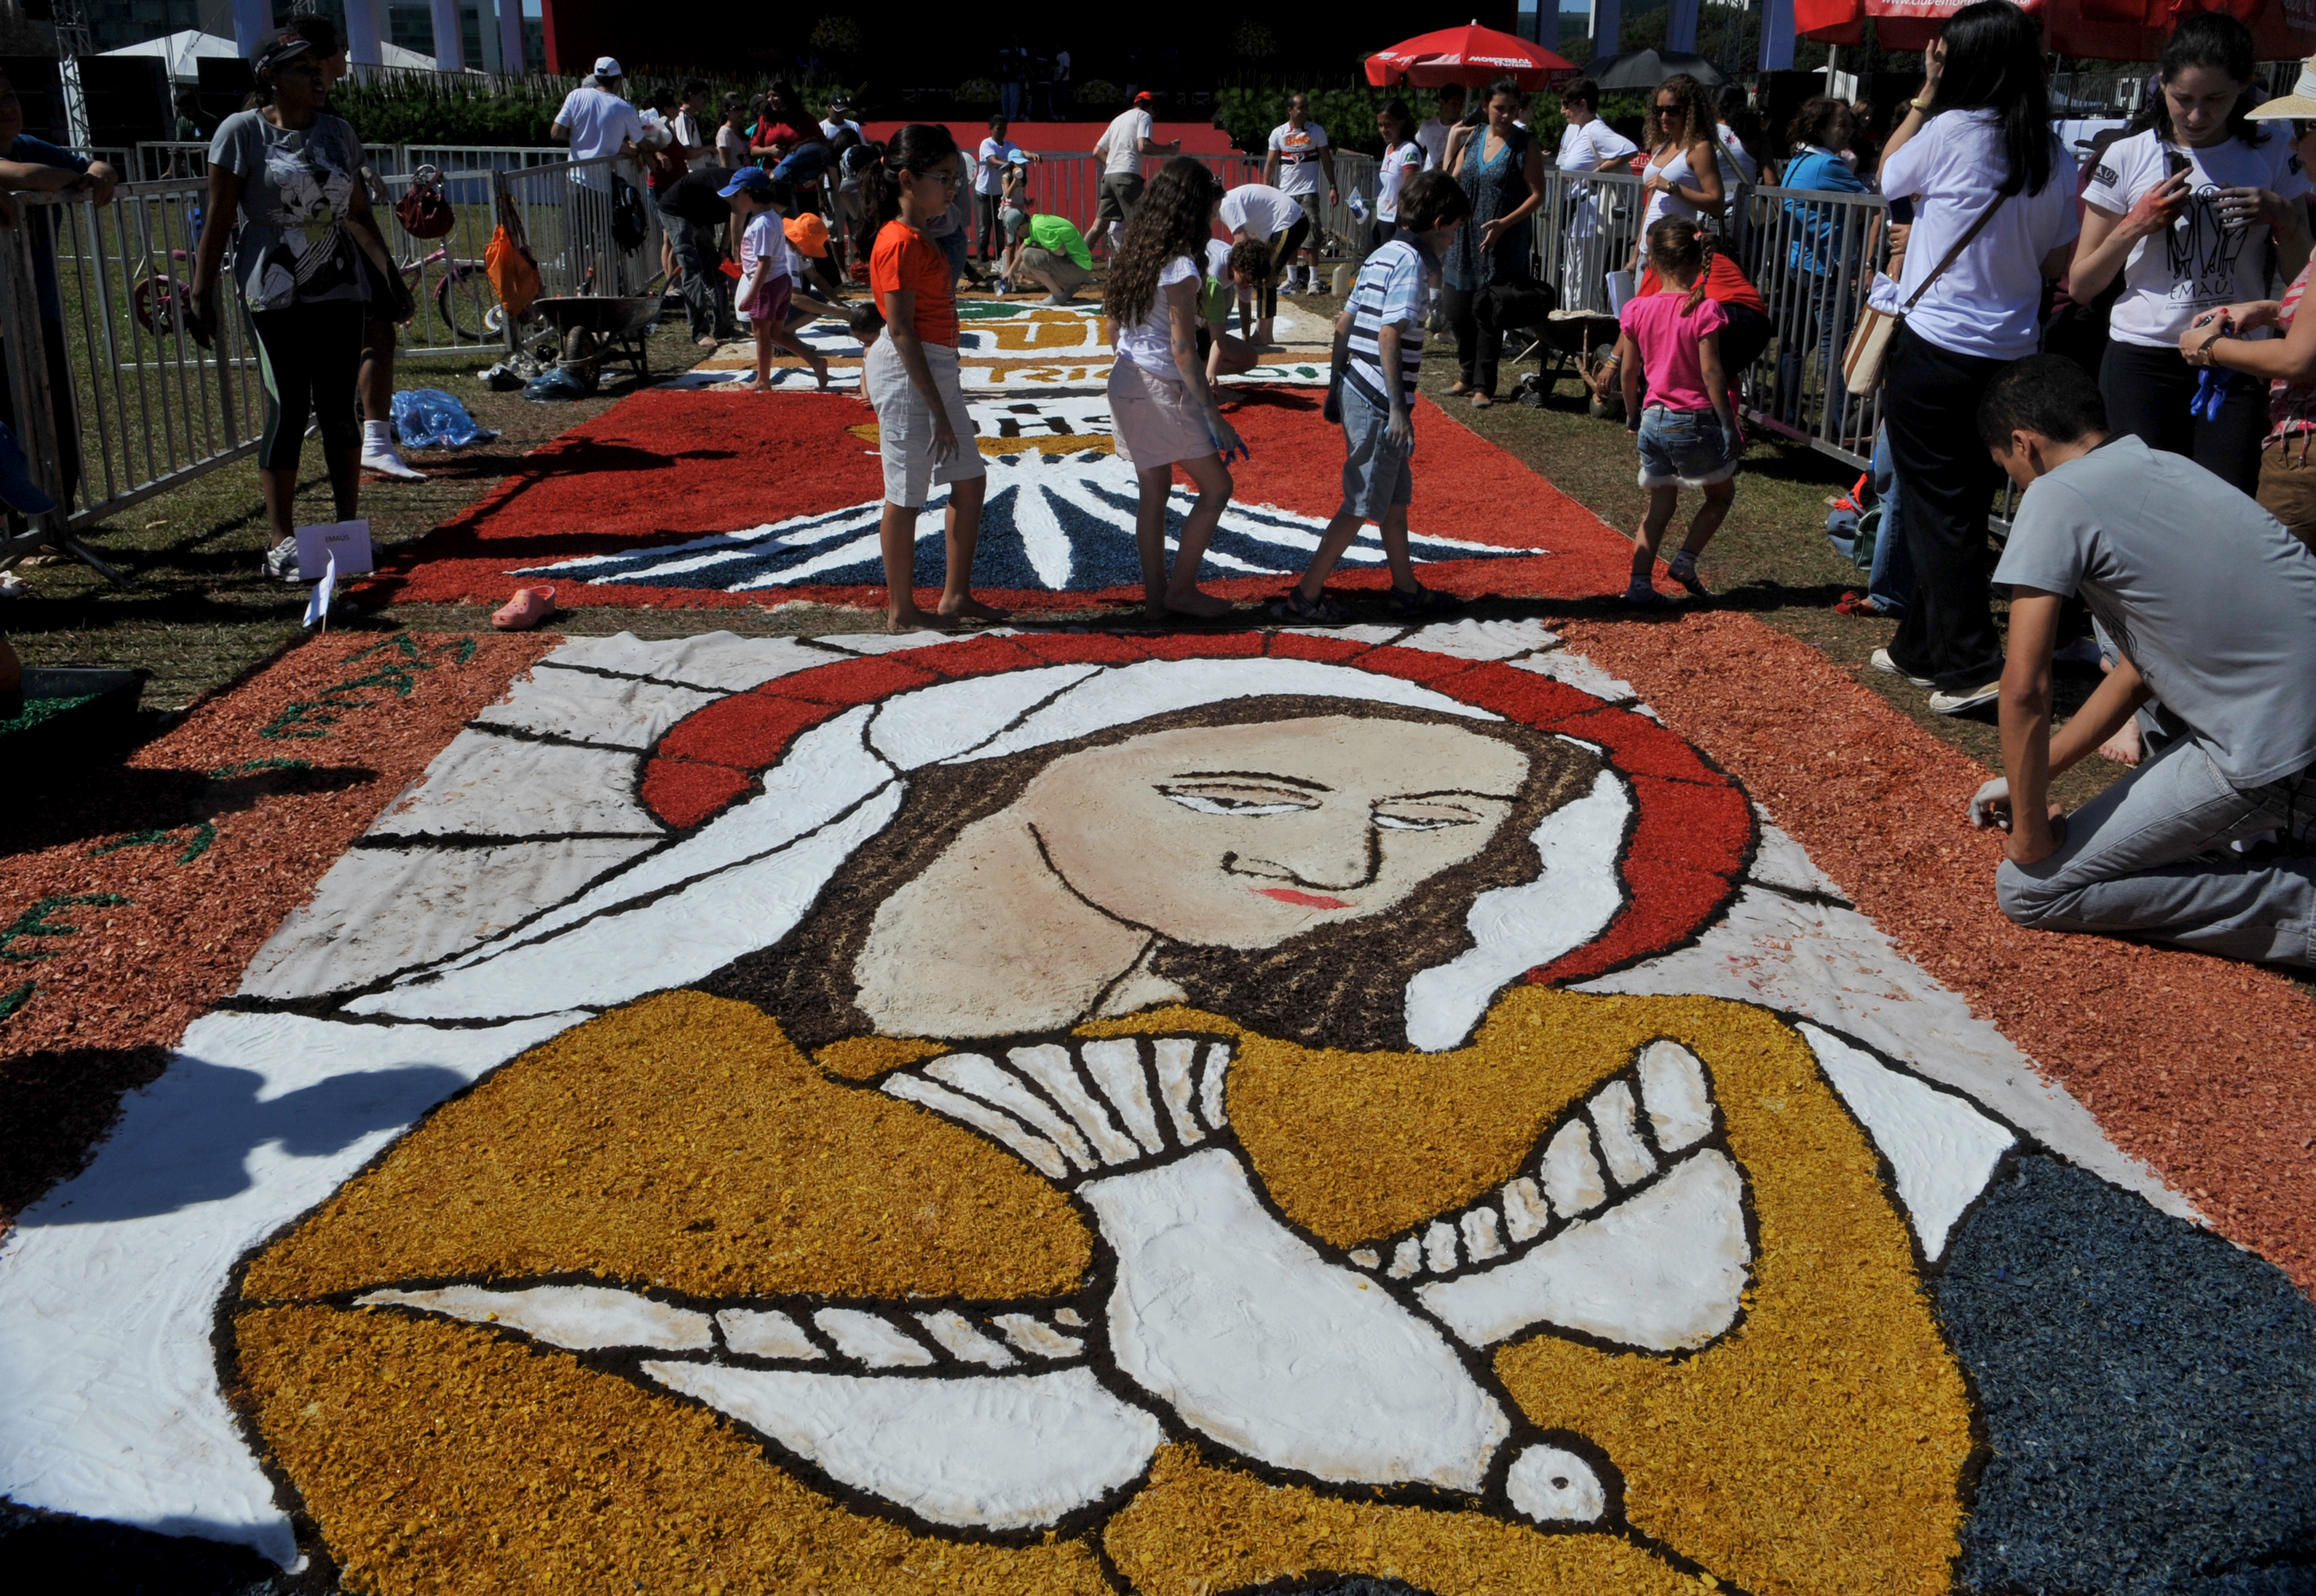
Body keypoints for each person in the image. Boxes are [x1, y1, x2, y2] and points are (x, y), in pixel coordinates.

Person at [1969, 354, 2316, 968]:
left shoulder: (2055, 493)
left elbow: (2024, 685)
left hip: (2276, 748)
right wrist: (2038, 770)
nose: (2020, 485)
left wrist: (2029, 833)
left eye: (2009, 470)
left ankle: (2302, 904)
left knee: (2031, 888)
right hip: (2281, 725)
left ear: (2025, 444)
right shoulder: (2167, 467)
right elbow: (2137, 671)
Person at [1868, 0, 2079, 717]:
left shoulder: (1952, 129)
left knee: (1938, 511)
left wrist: (1924, 98)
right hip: (2012, 351)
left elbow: (1887, 175)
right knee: (1963, 500)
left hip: (1936, 345)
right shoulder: (2054, 151)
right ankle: (1918, 646)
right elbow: (2056, 256)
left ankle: (1969, 663)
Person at [2068, 12, 2312, 496]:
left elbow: (2301, 282)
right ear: (2162, 85)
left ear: (2245, 87)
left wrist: (2285, 218)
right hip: (2143, 354)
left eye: (2215, 100)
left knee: (2224, 502)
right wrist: (2136, 224)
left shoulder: (2274, 150)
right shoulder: (2127, 154)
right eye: (2183, 99)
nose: (2197, 116)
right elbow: (2082, 284)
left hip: (2236, 357)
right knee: (2143, 500)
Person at [189, 31, 383, 580]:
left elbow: (360, 213)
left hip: (339, 284)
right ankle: (281, 540)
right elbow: (221, 214)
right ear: (270, 76)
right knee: (290, 404)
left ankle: (348, 531)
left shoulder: (339, 133)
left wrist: (388, 277)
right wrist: (201, 292)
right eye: (301, 69)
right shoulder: (240, 132)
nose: (317, 77)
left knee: (341, 406)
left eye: (317, 67)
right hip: (272, 286)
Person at [1274, 171, 1473, 624]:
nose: (1454, 239)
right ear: (1439, 221)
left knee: (1393, 500)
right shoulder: (1413, 265)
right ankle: (1305, 596)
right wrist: (1399, 408)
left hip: (1356, 385)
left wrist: (1333, 387)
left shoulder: (1382, 253)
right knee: (1362, 500)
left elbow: (1344, 326)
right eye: (1455, 229)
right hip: (1380, 398)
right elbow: (1389, 334)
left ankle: (1405, 590)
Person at [865, 123, 1000, 632]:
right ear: (906, 178)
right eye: (944, 178)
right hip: (910, 375)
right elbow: (900, 332)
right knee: (906, 493)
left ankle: (954, 596)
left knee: (969, 480)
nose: (953, 189)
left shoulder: (919, 234)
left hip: (931, 369)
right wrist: (939, 410)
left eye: (956, 180)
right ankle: (901, 609)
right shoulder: (899, 240)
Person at [1102, 157, 1248, 621]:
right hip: (1160, 387)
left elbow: (1112, 329)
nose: (1212, 219)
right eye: (1209, 209)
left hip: (1126, 378)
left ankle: (1155, 600)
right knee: (1216, 486)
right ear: (1190, 209)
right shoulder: (1182, 264)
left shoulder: (1135, 249)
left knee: (1154, 491)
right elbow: (1184, 350)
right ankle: (1181, 590)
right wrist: (1215, 417)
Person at [2188, 85, 2316, 549]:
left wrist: (2209, 347)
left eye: (2300, 128)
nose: (2291, 143)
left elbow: (2299, 362)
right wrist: (2274, 311)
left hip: (2305, 455)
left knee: (2288, 600)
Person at [0, 69, 117, 512]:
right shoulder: (25, 158)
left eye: (10, 96)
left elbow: (96, 164)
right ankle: (17, 531)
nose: (6, 109)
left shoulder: (30, 143)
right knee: (8, 429)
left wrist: (98, 173)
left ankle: (55, 520)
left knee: (59, 420)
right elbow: (30, 175)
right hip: (2, 323)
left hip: (40, 311)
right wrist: (73, 179)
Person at [1613, 218, 1741, 607]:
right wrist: (1728, 424)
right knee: (1720, 494)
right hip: (1695, 418)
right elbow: (1711, 372)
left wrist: (1633, 415)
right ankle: (1684, 561)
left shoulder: (1637, 308)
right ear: (1696, 262)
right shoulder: (1705, 309)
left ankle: (1638, 584)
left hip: (1653, 416)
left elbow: (1629, 371)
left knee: (1660, 503)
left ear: (1652, 262)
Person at [1443, 76, 1545, 407]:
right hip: (1465, 237)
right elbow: (1451, 180)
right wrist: (1450, 141)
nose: (1505, 115)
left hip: (1503, 238)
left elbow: (1537, 195)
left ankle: (1483, 386)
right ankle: (1466, 373)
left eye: (1512, 109)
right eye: (1499, 108)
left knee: (1487, 312)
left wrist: (1503, 224)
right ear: (1486, 106)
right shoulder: (1473, 139)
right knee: (1457, 310)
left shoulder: (1524, 143)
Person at [1775, 96, 1872, 432]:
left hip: (1801, 264)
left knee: (1796, 344)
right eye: (1842, 124)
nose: (1850, 131)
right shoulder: (1828, 166)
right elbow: (1873, 200)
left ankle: (1786, 413)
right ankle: (1841, 429)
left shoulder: (1801, 161)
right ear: (1819, 128)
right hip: (1825, 269)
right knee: (1835, 350)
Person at [726, 168, 827, 392]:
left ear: (749, 193)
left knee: (761, 333)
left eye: (736, 195)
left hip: (768, 284)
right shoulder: (771, 218)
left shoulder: (762, 222)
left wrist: (751, 294)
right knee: (776, 333)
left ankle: (763, 379)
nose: (733, 200)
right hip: (779, 282)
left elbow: (765, 262)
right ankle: (816, 362)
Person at [1555, 76, 1640, 315]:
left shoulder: (1596, 129)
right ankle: (1575, 332)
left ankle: (1586, 335)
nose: (1563, 111)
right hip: (1578, 216)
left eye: (1566, 104)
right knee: (1575, 279)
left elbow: (1629, 149)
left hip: (1590, 217)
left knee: (1583, 281)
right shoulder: (1582, 130)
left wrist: (1600, 171)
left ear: (1582, 105)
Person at [1636, 74, 1729, 248]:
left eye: (1672, 110)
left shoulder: (1699, 148)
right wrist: (1634, 255)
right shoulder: (1660, 147)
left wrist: (1672, 187)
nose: (1664, 116)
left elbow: (1717, 204)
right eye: (1659, 110)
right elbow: (1649, 206)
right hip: (1648, 249)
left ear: (1690, 111)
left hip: (1676, 251)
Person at [1263, 95, 1338, 294]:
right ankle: (1292, 278)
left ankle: (1313, 280)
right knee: (1289, 235)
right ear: (1290, 110)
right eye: (1300, 107)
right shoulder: (1278, 133)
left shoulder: (1316, 131)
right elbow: (1270, 164)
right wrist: (1266, 189)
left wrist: (1333, 185)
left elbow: (1326, 159)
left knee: (1313, 234)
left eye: (1306, 107)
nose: (1305, 111)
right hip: (1286, 192)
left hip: (1308, 191)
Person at [658, 162, 739, 348]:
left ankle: (724, 327)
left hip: (699, 215)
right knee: (692, 268)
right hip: (676, 210)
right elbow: (735, 217)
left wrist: (723, 251)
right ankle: (700, 332)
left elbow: (734, 223)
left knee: (715, 270)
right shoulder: (729, 185)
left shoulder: (747, 200)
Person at [1218, 182, 1306, 344]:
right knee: (1263, 275)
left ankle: (1262, 334)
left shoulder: (1225, 205)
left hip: (1290, 222)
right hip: (1287, 221)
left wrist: (1229, 267)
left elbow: (1242, 243)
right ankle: (1266, 333)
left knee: (1264, 275)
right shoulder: (1228, 203)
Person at [1095, 91, 1178, 258]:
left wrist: (1112, 165)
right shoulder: (1144, 116)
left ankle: (1077, 263)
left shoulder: (1118, 119)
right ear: (1151, 107)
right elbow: (1143, 146)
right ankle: (1138, 264)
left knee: (1098, 226)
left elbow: (1097, 151)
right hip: (1127, 176)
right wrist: (1169, 149)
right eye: (1154, 111)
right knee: (1141, 222)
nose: (1153, 115)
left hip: (1109, 176)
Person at [975, 116, 1035, 262]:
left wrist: (1031, 155)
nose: (1002, 131)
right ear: (991, 129)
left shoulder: (1009, 144)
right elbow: (993, 161)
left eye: (1004, 128)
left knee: (1002, 228)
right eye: (998, 128)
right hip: (985, 191)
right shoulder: (986, 143)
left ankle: (1000, 258)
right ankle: (982, 259)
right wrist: (1011, 164)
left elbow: (1021, 153)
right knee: (985, 227)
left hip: (1002, 195)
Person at [1013, 204, 1095, 303]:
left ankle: (1058, 295)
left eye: (1015, 232)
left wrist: (1041, 246)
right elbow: (1024, 246)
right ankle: (1068, 287)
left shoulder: (1039, 228)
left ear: (1022, 227)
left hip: (1078, 268)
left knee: (1028, 255)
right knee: (1024, 267)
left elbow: (1060, 252)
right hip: (1078, 266)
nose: (1016, 235)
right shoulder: (1035, 222)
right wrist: (1010, 272)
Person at [1373, 98, 1424, 248]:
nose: (1383, 130)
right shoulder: (1389, 149)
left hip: (1396, 220)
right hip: (1382, 216)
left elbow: (1410, 190)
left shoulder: (1409, 151)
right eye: (1380, 125)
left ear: (1401, 123)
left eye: (1388, 125)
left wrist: (1405, 222)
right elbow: (1390, 187)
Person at [1416, 84, 1466, 170]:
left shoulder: (1465, 129)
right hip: (1428, 178)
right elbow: (1415, 148)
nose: (1458, 108)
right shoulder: (1428, 127)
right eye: (1454, 103)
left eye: (1461, 103)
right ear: (1442, 103)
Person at [715, 92, 751, 169]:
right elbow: (724, 166)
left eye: (743, 108)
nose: (741, 112)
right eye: (736, 109)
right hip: (734, 179)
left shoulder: (740, 132)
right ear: (726, 111)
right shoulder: (725, 133)